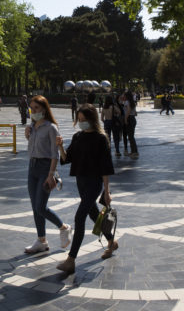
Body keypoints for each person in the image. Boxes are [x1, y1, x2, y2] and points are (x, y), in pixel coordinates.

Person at [55, 104, 117, 273]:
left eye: (84, 120)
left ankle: (71, 259)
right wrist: (60, 146)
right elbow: (67, 158)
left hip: (94, 183)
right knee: (93, 214)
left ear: (92, 120)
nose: (81, 122)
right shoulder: (78, 137)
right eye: (79, 119)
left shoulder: (101, 138)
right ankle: (111, 241)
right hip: (81, 181)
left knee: (79, 217)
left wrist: (106, 191)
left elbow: (105, 167)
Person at [23, 95, 72, 254]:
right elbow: (32, 148)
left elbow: (54, 154)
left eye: (36, 108)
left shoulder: (51, 127)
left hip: (45, 168)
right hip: (32, 167)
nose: (33, 111)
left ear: (44, 109)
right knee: (34, 207)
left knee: (40, 206)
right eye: (32, 108)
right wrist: (27, 135)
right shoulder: (32, 126)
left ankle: (63, 227)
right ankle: (41, 240)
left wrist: (51, 174)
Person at [123, 91, 139, 158]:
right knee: (131, 136)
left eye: (125, 95)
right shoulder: (133, 102)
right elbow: (135, 113)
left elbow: (128, 110)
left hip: (129, 118)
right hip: (133, 119)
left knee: (130, 136)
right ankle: (134, 151)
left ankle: (134, 152)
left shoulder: (127, 102)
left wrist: (125, 119)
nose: (124, 96)